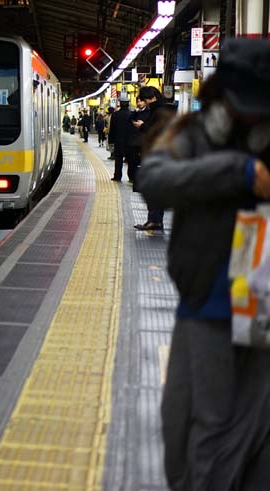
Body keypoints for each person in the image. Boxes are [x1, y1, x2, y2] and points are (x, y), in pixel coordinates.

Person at [136, 39, 270, 491]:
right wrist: (237, 172)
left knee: (239, 427)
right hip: (207, 303)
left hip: (262, 306)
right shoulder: (191, 135)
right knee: (182, 424)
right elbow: (152, 181)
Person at [133, 87, 176, 231]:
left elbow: (157, 133)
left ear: (152, 97)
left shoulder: (159, 111)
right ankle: (155, 220)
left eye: (145, 99)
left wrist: (142, 126)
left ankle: (154, 220)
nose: (144, 102)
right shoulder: (163, 109)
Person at [108, 101, 134, 182]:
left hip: (118, 141)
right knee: (130, 160)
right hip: (130, 141)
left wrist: (111, 140)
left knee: (118, 159)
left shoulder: (115, 115)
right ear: (128, 104)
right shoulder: (132, 114)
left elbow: (112, 129)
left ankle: (117, 176)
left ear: (120, 104)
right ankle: (131, 177)